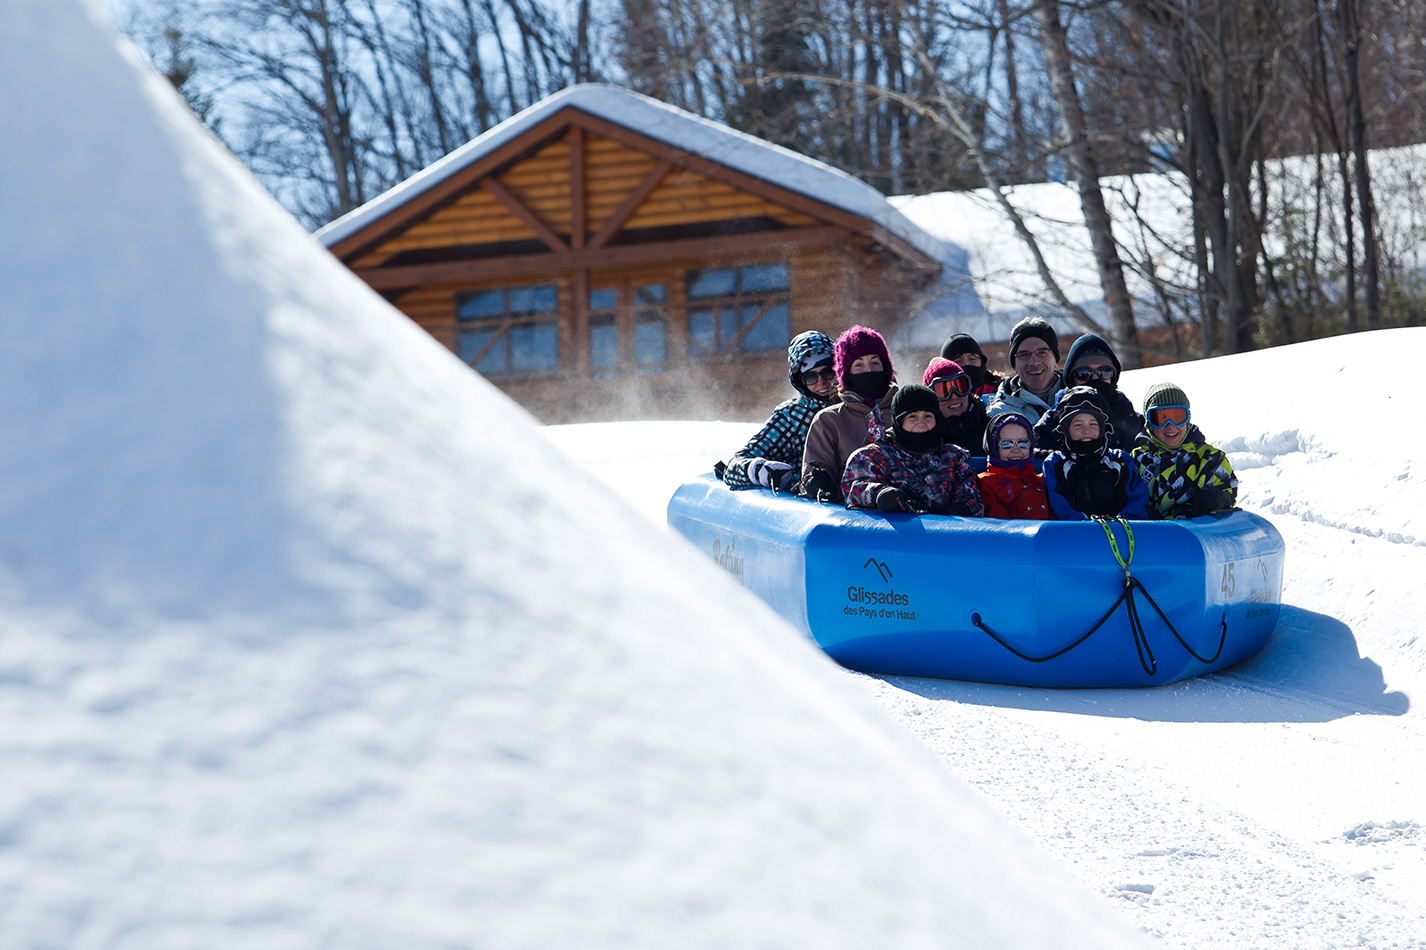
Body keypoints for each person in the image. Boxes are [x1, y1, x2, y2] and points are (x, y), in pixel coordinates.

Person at [841, 385, 984, 516]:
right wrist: (880, 494)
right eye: (912, 417)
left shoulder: (954, 456)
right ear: (899, 421)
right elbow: (856, 490)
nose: (921, 422)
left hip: (945, 535)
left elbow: (971, 496)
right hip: (897, 536)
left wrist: (960, 509)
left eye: (927, 416)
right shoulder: (873, 456)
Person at [722, 331, 838, 491]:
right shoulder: (791, 417)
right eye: (810, 377)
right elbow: (735, 465)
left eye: (828, 372)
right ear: (800, 381)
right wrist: (760, 471)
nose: (822, 382)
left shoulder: (856, 404)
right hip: (812, 504)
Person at [800, 325, 897, 503]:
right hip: (852, 517)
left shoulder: (905, 413)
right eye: (859, 365)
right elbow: (818, 469)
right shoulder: (829, 421)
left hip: (910, 512)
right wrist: (819, 481)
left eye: (875, 362)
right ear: (846, 373)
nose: (868, 370)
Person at [1042, 387, 1151, 521]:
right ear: (1064, 430)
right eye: (1078, 425)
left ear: (1104, 428)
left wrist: (1123, 524)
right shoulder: (1056, 463)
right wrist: (1087, 528)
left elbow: (1135, 499)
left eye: (1093, 424)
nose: (1086, 430)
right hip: (1076, 535)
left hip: (1122, 534)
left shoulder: (1120, 460)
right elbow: (1061, 503)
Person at [1132, 382, 1238, 519]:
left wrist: (1220, 499)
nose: (1170, 426)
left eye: (1177, 417)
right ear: (1148, 423)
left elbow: (1228, 489)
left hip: (1196, 533)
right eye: (1160, 418)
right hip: (1154, 535)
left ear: (1188, 419)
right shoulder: (1138, 460)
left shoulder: (1209, 459)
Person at [1034, 332, 1144, 451]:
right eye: (1084, 374)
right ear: (1071, 379)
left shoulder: (1129, 416)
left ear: (1113, 377)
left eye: (1104, 372)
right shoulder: (1054, 420)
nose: (1095, 379)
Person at [988, 317, 1063, 424]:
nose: (1034, 362)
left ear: (1055, 359)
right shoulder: (998, 416)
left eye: (1042, 353)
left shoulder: (1081, 400)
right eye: (1024, 355)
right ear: (1014, 365)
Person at [976, 412, 1050, 520]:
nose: (1016, 450)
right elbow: (997, 520)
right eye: (1006, 444)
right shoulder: (985, 482)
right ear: (994, 448)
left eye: (1023, 443)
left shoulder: (1043, 480)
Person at [923, 357, 988, 455]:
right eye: (943, 391)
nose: (954, 396)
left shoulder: (992, 430)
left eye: (960, 387)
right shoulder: (924, 440)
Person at [941, 333, 1004, 397]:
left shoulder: (1002, 390)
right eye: (958, 361)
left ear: (982, 361)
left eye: (972, 359)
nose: (966, 364)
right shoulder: (940, 395)